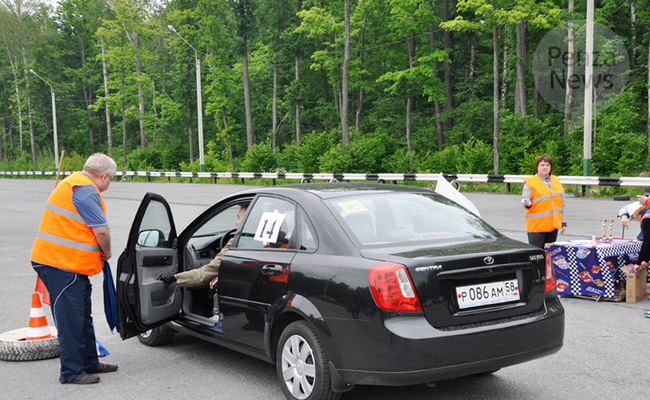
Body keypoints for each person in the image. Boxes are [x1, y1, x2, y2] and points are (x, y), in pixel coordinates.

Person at [30, 153, 118, 385]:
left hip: (67, 264)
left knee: (82, 316)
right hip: (61, 264)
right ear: (104, 176)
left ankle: (89, 361)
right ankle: (71, 372)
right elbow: (101, 231)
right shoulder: (86, 189)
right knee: (71, 320)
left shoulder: (75, 182)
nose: (109, 184)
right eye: (111, 179)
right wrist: (107, 252)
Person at [158, 204, 248, 290]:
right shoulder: (258, 242)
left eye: (239, 218)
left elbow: (204, 274)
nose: (236, 222)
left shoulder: (238, 242)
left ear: (249, 220)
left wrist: (175, 278)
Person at [521, 154, 567, 249]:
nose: (545, 167)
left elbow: (561, 204)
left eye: (547, 165)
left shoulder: (556, 180)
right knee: (537, 255)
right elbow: (524, 200)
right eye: (542, 165)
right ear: (537, 167)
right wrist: (528, 204)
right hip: (537, 226)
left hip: (553, 225)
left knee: (549, 253)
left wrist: (563, 222)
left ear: (551, 167)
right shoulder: (531, 181)